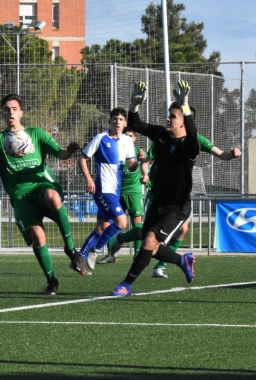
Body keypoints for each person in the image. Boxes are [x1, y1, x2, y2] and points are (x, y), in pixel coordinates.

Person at [0, 93, 87, 296]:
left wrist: (70, 150)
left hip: (41, 186)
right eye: (7, 109)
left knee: (53, 197)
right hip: (21, 197)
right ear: (3, 113)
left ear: (21, 112)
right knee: (38, 237)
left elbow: (61, 154)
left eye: (14, 108)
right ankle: (52, 281)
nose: (10, 112)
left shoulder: (36, 134)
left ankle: (71, 250)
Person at [101, 130, 242, 279]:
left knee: (183, 229)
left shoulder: (196, 139)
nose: (171, 119)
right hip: (158, 194)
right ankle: (121, 239)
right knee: (147, 234)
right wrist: (146, 175)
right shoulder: (164, 138)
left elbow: (221, 154)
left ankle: (160, 267)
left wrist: (232, 154)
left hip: (179, 197)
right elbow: (147, 162)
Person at [110, 81, 199, 297]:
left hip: (176, 207)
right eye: (169, 114)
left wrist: (184, 105)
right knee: (151, 246)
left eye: (174, 116)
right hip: (157, 202)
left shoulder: (188, 145)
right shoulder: (161, 135)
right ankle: (181, 259)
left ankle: (126, 284)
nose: (168, 118)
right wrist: (133, 106)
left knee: (149, 241)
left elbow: (195, 135)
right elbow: (138, 125)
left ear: (184, 123)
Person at [77, 107, 141, 271]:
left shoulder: (127, 141)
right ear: (110, 121)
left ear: (125, 123)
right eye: (115, 118)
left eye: (121, 119)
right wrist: (89, 179)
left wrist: (142, 160)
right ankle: (95, 250)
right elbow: (82, 159)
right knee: (121, 222)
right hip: (104, 189)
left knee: (102, 226)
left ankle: (79, 258)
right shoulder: (101, 138)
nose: (117, 122)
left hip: (115, 190)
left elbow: (132, 166)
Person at [95, 129, 146, 265]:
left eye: (130, 136)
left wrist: (143, 166)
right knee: (114, 222)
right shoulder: (115, 149)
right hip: (116, 191)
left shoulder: (138, 153)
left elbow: (143, 168)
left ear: (134, 138)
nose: (127, 138)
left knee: (137, 223)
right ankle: (111, 254)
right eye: (125, 135)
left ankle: (138, 254)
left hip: (133, 192)